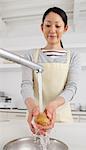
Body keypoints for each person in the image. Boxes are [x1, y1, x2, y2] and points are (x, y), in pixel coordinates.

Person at [21, 7, 80, 135]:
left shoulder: (73, 56)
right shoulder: (30, 55)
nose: (52, 30)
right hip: (36, 117)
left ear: (65, 28)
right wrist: (32, 106)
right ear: (42, 27)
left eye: (57, 26)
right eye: (48, 25)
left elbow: (72, 87)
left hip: (62, 118)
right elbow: (26, 84)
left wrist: (53, 105)